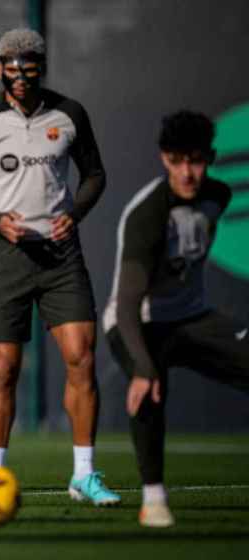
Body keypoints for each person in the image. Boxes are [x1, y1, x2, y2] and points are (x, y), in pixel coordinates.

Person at [0, 28, 119, 505]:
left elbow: (96, 176)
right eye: (11, 67)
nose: (20, 76)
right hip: (6, 255)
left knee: (82, 355)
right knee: (3, 367)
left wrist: (75, 213)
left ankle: (83, 474)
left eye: (29, 67)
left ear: (42, 67)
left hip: (62, 254)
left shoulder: (69, 114)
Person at [103, 110, 248, 528]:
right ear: (164, 159)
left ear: (211, 158)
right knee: (149, 388)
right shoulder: (149, 213)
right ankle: (153, 500)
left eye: (197, 160)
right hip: (138, 322)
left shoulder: (217, 196)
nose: (188, 172)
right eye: (178, 160)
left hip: (192, 316)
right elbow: (128, 302)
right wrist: (144, 368)